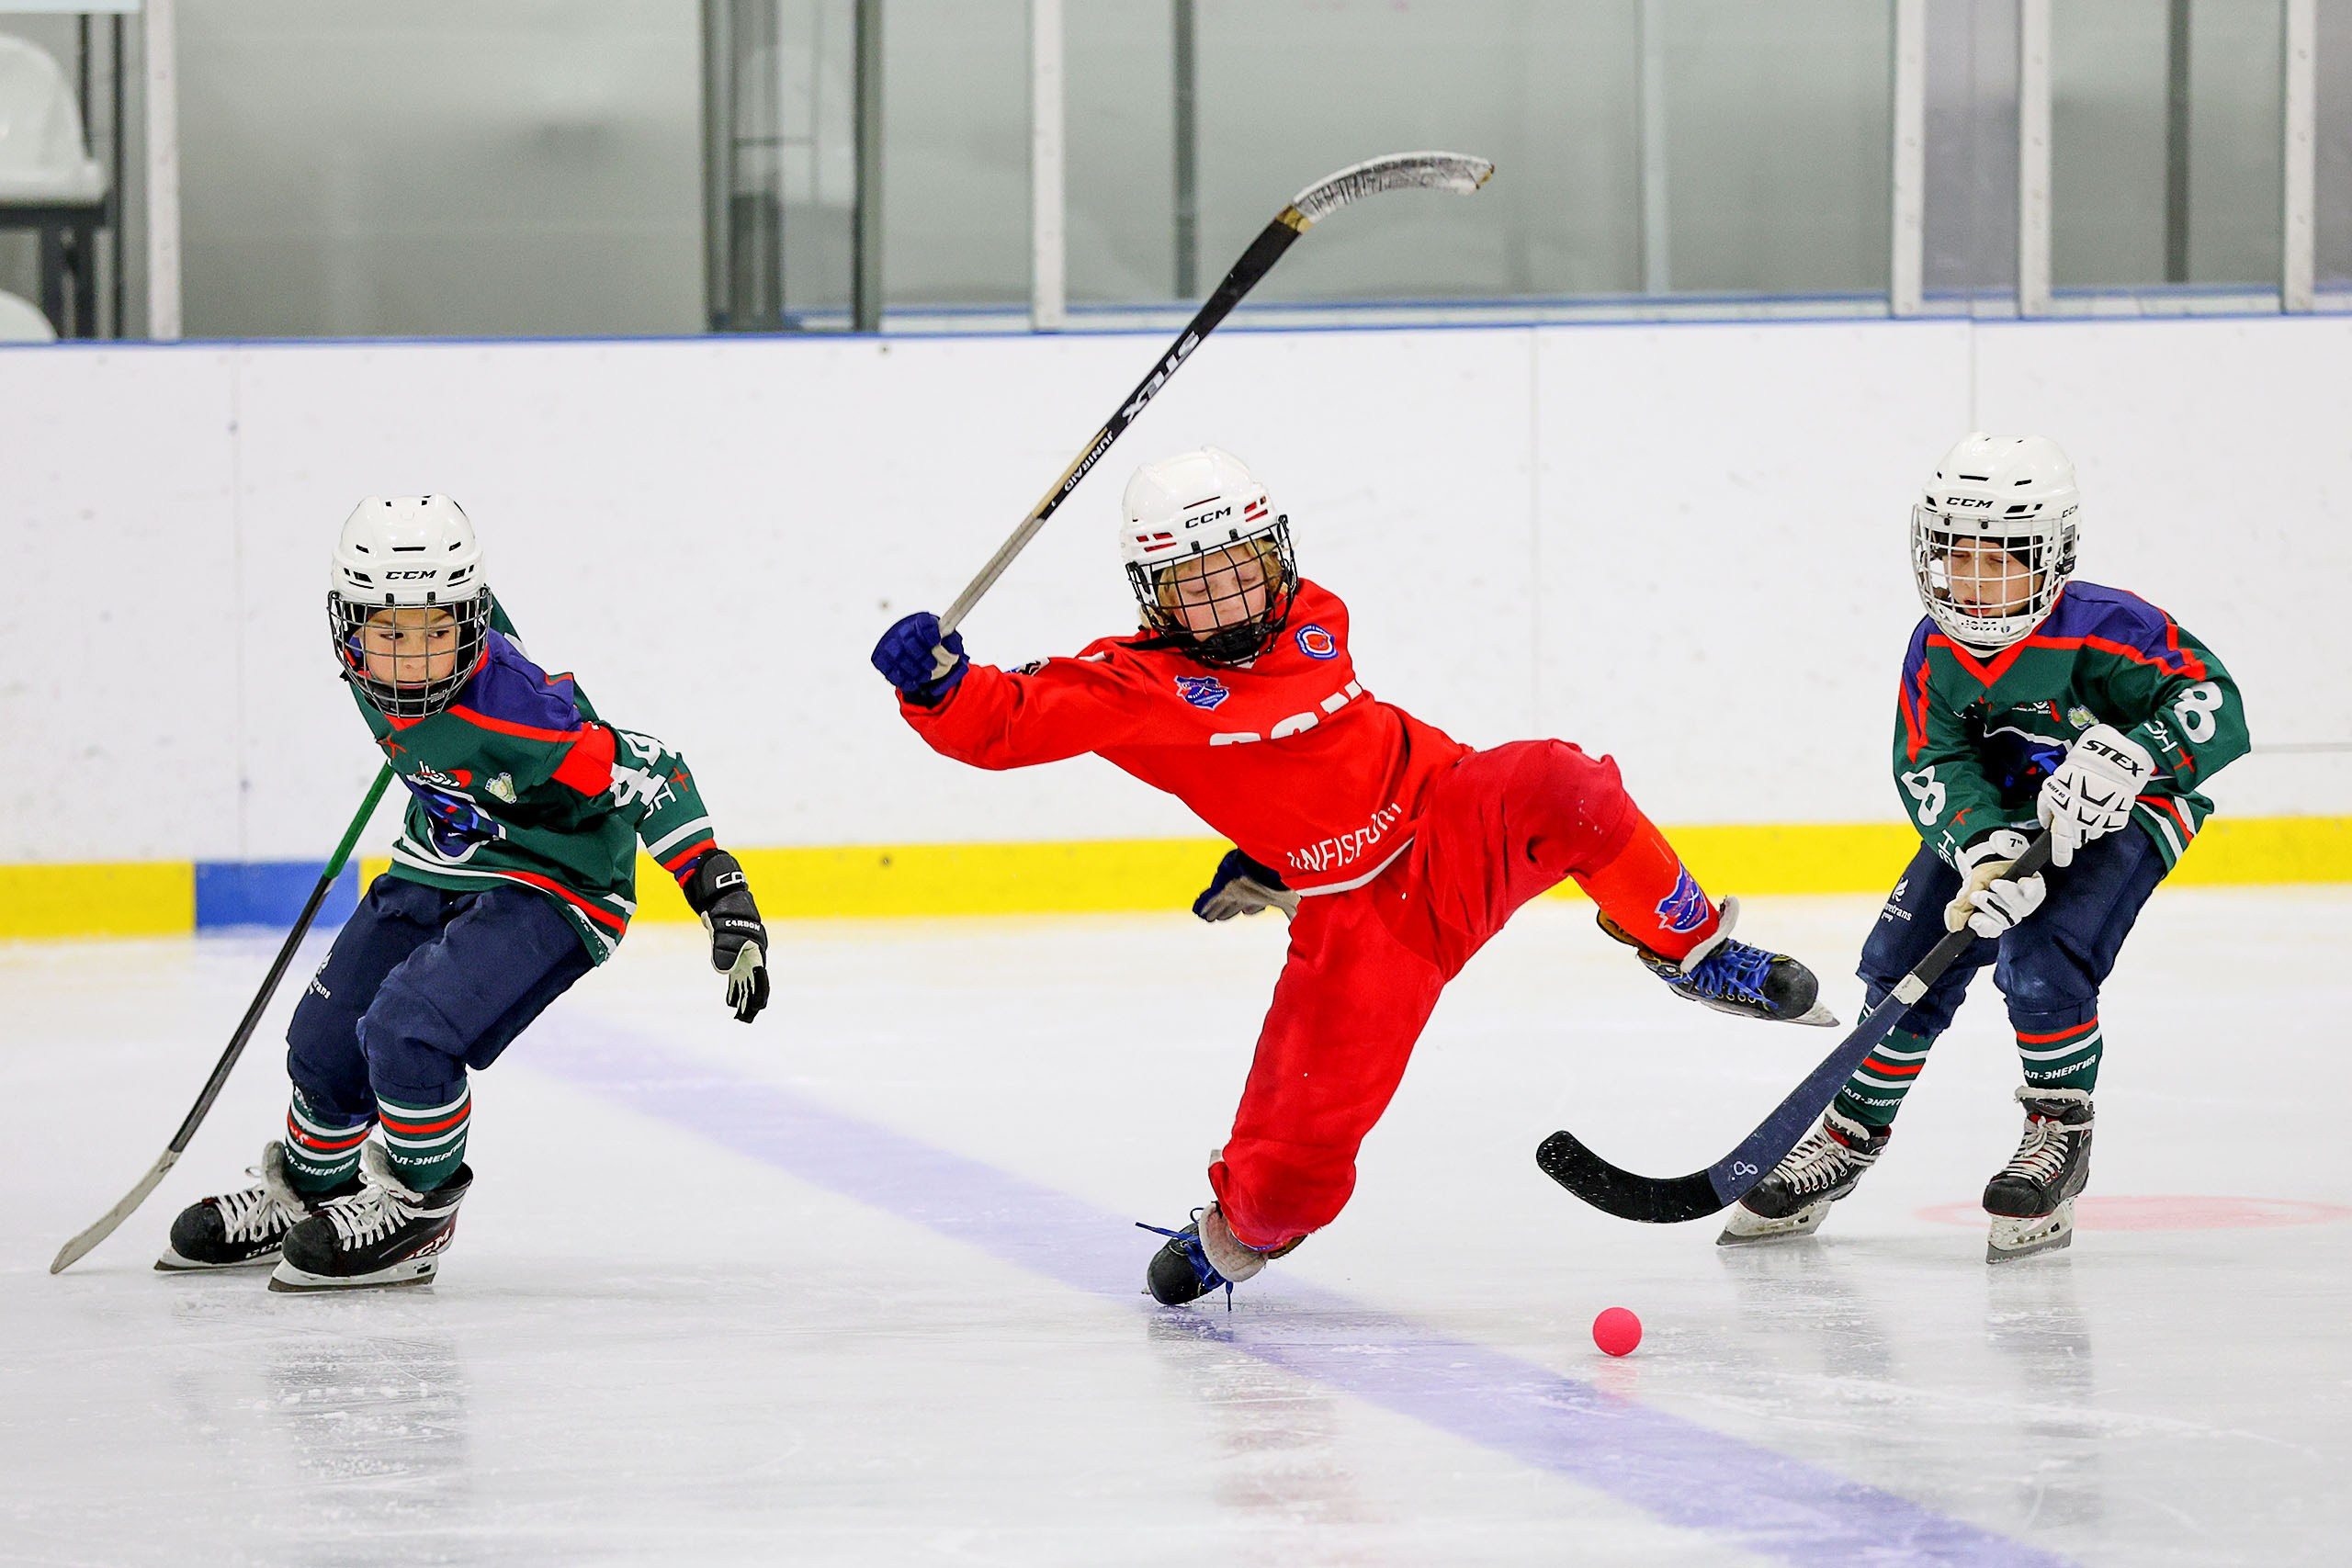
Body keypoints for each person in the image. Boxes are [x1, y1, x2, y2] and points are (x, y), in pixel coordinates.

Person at [870, 447, 1832, 1306]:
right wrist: (938, 687)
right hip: (1362, 924)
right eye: (1196, 586)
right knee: (1289, 1177)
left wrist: (1273, 846)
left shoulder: (1315, 615)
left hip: (1451, 815)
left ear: (1276, 556)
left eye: (1244, 569)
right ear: (1153, 596)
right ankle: (1237, 1233)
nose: (1232, 601)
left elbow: (1294, 746)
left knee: (1561, 782)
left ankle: (1694, 947)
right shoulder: (1129, 685)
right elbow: (1007, 722)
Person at [159, 495, 771, 1292]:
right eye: (391, 635)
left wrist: (721, 890)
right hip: (440, 856)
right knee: (323, 1034)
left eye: (435, 634)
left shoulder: (523, 714)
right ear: (348, 627)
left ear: (470, 623)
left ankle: (418, 1209)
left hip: (558, 880)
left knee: (410, 1029)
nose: (413, 662)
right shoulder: (380, 653)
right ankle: (311, 1189)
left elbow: (650, 769)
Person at [1720, 434, 2247, 1262]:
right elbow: (1932, 759)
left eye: (1998, 559)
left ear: (2053, 555)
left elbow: (2217, 705)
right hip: (2005, 817)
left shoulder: (2112, 627)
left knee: (2043, 957)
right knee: (1901, 957)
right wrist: (1986, 852)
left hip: (2135, 811)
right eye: (1954, 556)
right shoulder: (1935, 645)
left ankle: (2057, 1137)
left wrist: (2137, 752)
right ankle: (1849, 1137)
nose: (1970, 581)